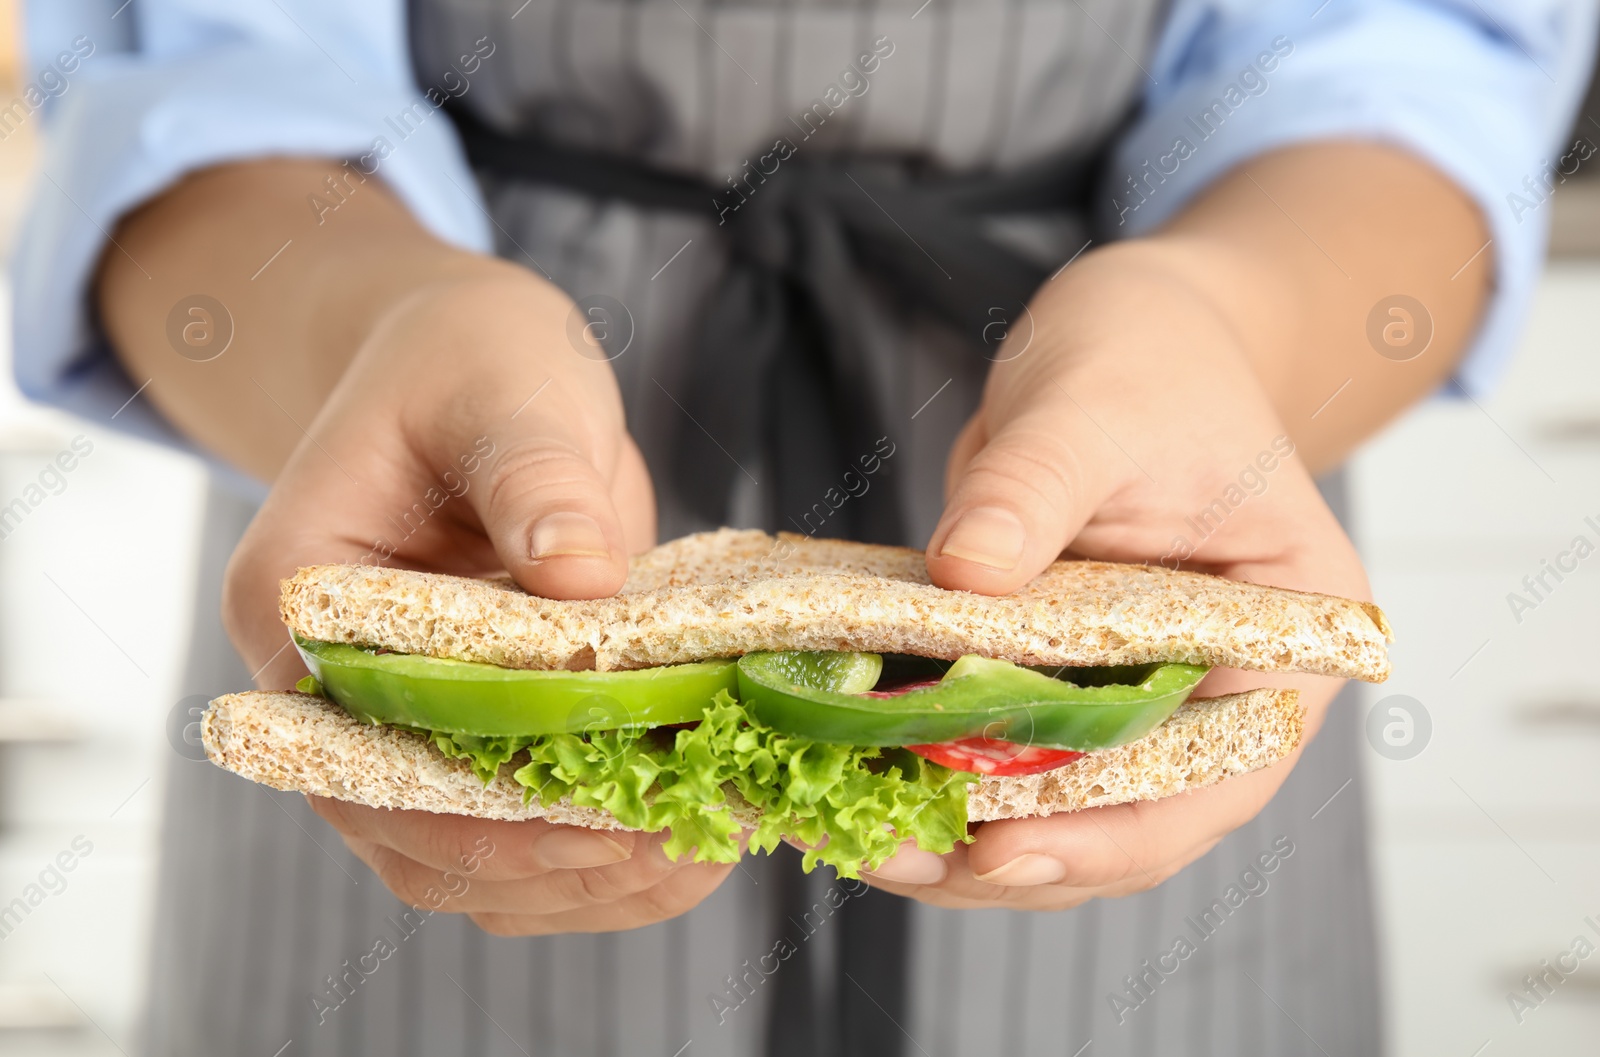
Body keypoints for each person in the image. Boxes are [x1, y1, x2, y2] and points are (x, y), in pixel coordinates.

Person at [12, 0, 1596, 1054]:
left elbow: (1414, 70)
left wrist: (1225, 323)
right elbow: (192, 82)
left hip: (1156, 560)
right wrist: (373, 323)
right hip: (425, 491)